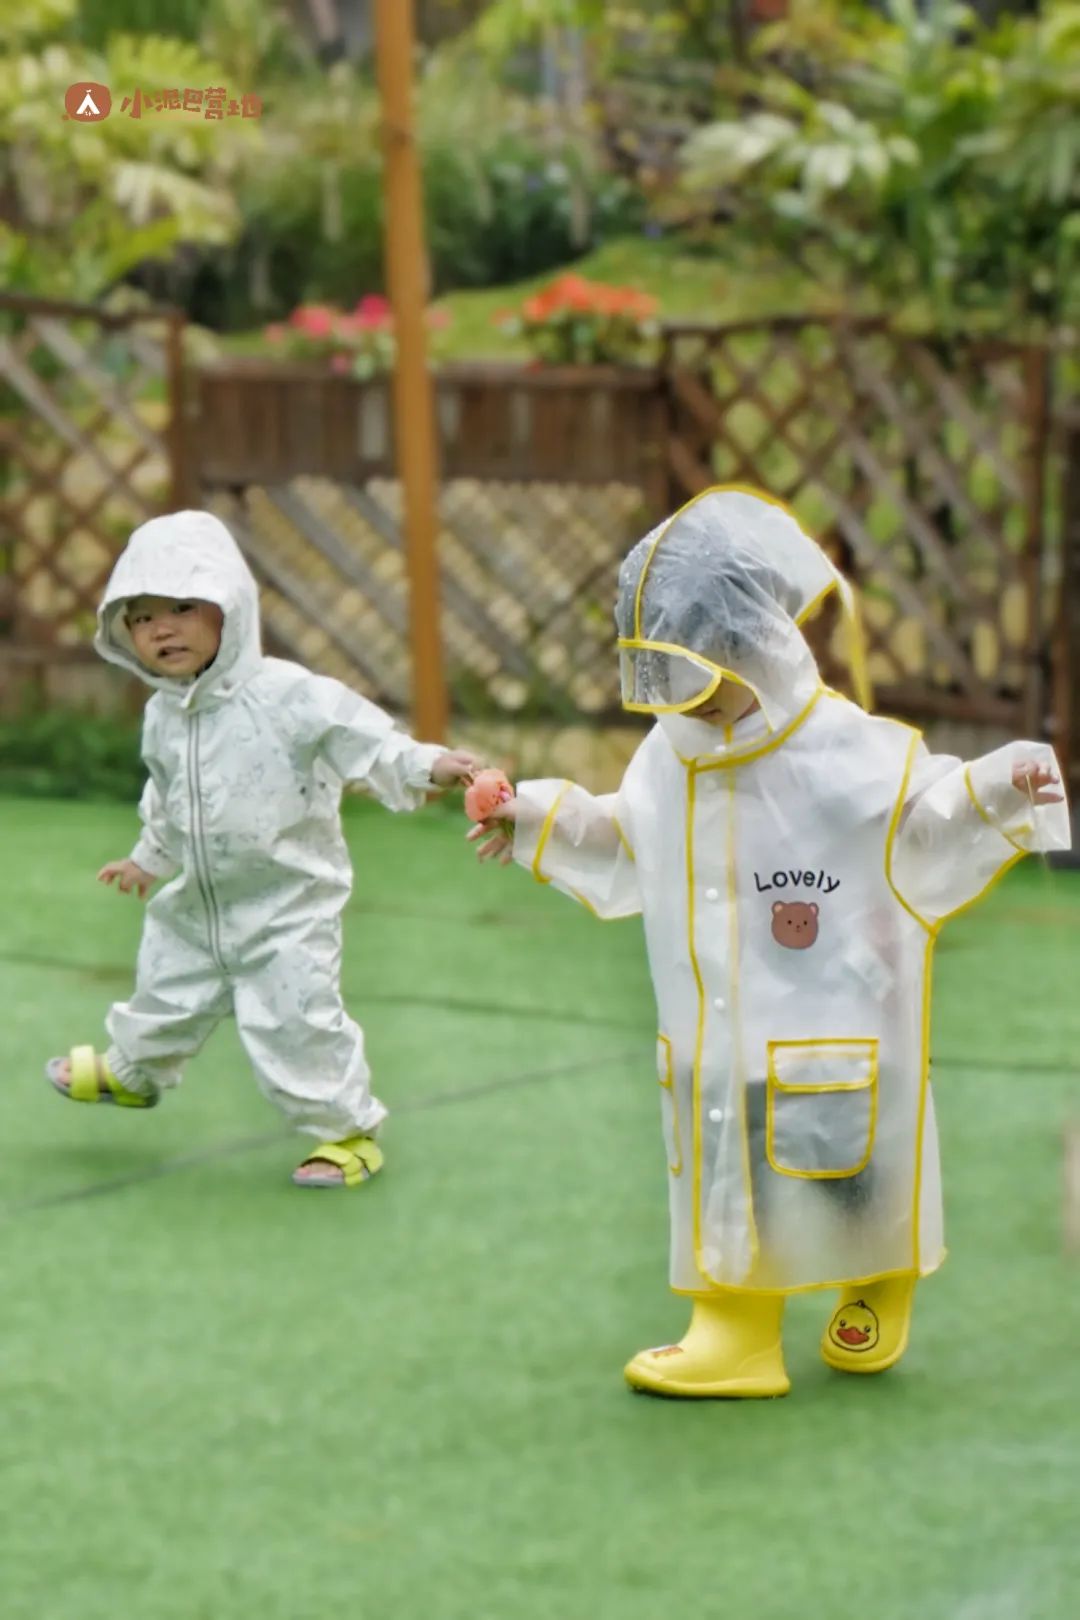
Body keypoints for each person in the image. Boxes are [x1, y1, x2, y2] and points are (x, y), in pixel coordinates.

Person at [469, 487, 1070, 1396]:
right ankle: (735, 1329)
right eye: (661, 683)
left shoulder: (847, 751)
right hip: (718, 1039)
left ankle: (877, 1276)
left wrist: (1002, 787)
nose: (685, 707)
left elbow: (924, 819)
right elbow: (631, 840)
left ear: (760, 647)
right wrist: (534, 820)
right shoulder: (668, 755)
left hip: (842, 1016)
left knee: (851, 1169)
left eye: (699, 679)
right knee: (727, 1170)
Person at [46, 509, 481, 1189]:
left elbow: (363, 738)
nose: (161, 629)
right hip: (200, 905)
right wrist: (148, 858)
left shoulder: (288, 696)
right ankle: (132, 1075)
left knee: (296, 1020)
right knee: (164, 989)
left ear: (230, 608)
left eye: (183, 608)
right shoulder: (163, 714)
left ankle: (346, 1133)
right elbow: (168, 795)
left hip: (287, 908)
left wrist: (427, 765)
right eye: (140, 617)